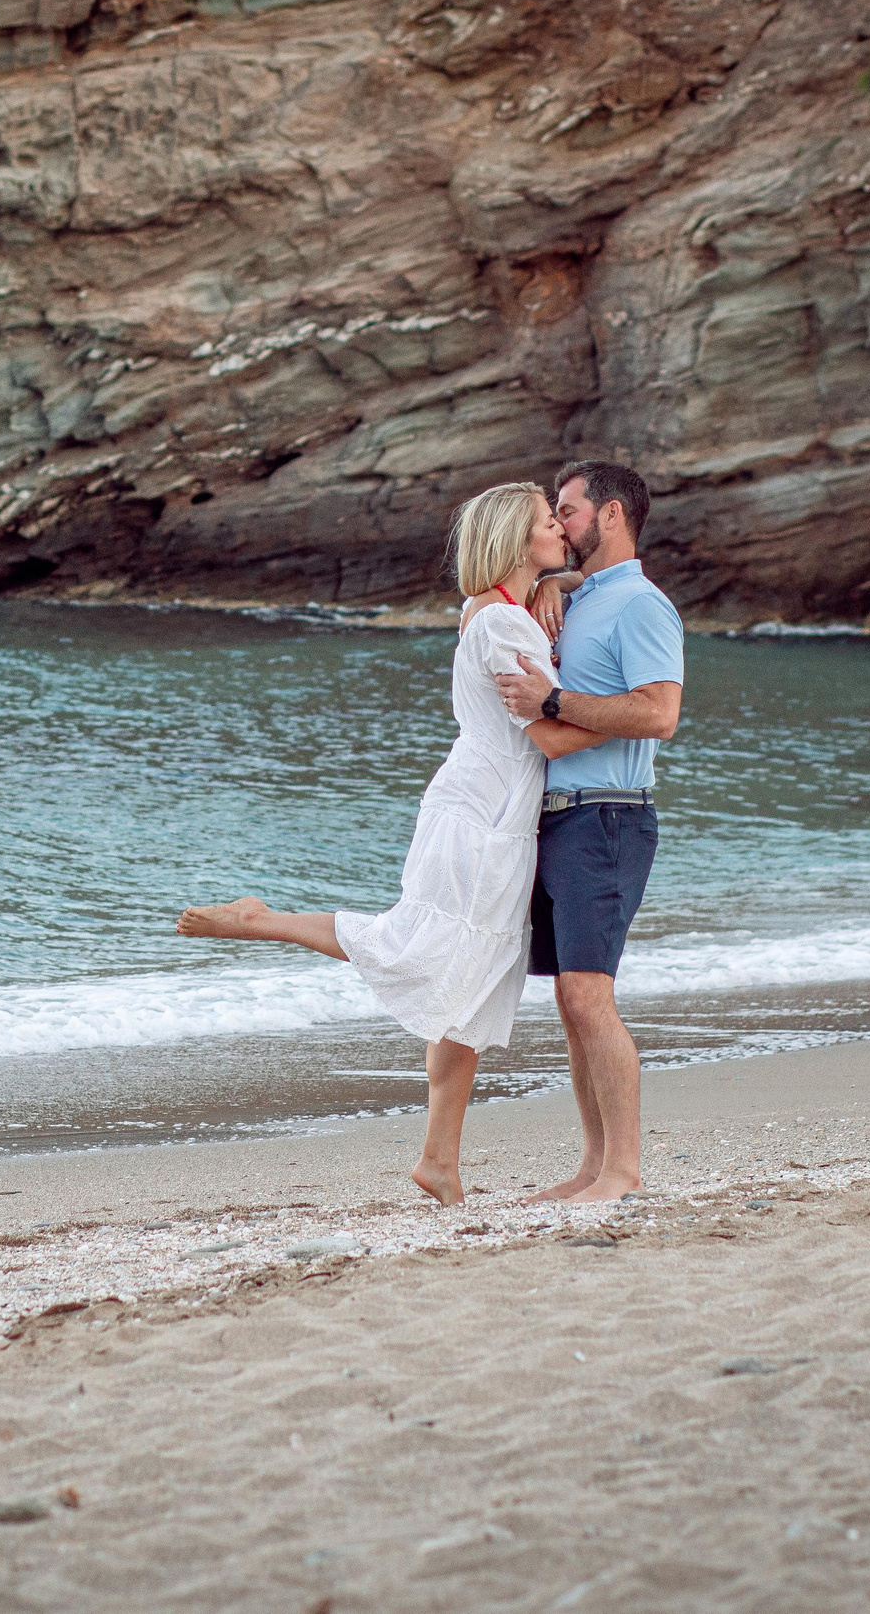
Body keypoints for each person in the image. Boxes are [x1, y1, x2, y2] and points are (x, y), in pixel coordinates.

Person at [175, 482, 608, 1206]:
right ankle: (262, 920)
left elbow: (537, 636)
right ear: (513, 539)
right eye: (546, 523)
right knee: (422, 950)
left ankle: (439, 1161)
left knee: (463, 991)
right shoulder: (504, 626)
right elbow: (549, 730)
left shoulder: (500, 610)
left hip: (494, 813)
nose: (561, 531)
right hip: (480, 820)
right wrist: (640, 717)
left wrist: (557, 584)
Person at [493, 459, 683, 1204]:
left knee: (589, 995)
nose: (559, 525)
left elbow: (659, 713)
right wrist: (552, 583)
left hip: (609, 815)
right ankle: (593, 1165)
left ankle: (625, 1172)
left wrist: (554, 699)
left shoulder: (642, 605)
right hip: (560, 819)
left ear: (609, 515)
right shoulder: (581, 597)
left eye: (568, 511)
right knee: (571, 1000)